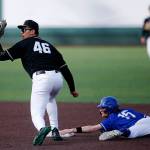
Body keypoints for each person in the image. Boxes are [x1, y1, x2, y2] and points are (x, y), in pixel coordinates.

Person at [0, 20, 79, 146]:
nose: (22, 32)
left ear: (32, 31)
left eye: (24, 29)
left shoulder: (24, 44)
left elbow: (1, 56)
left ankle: (42, 129)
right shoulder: (49, 46)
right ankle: (55, 130)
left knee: (36, 113)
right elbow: (65, 68)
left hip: (42, 79)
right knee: (50, 100)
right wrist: (72, 89)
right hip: (58, 78)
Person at [59, 96, 150, 141]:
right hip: (147, 121)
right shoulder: (128, 110)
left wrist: (71, 130)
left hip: (137, 128)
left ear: (109, 108)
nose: (100, 110)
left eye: (102, 108)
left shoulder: (111, 119)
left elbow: (92, 128)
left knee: (131, 133)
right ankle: (120, 131)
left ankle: (121, 131)